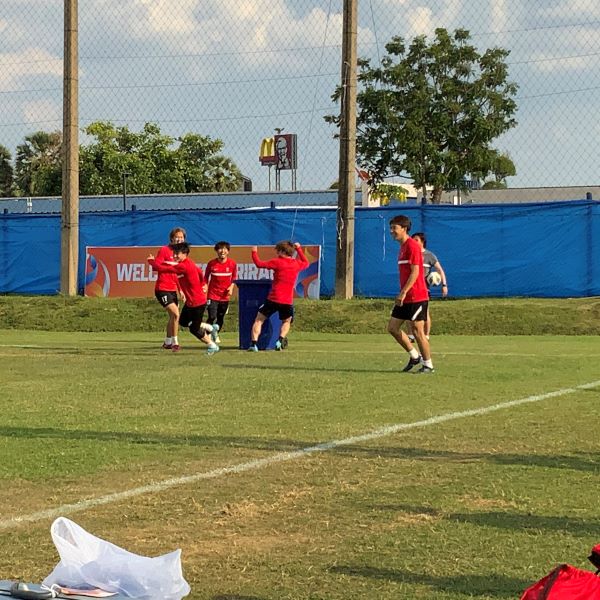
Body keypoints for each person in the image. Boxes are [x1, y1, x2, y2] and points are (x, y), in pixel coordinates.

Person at [148, 242, 220, 355]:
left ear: (185, 254)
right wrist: (202, 283)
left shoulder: (183, 266)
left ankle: (212, 345)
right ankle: (211, 328)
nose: (175, 256)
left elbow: (163, 268)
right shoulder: (189, 263)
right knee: (183, 321)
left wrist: (151, 261)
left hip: (197, 303)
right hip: (190, 302)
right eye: (174, 253)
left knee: (194, 329)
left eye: (177, 254)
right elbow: (199, 271)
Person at [387, 215, 434, 373]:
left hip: (416, 296)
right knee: (392, 328)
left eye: (394, 228)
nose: (391, 231)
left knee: (417, 331)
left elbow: (415, 272)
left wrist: (403, 292)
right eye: (391, 228)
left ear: (404, 229)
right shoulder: (402, 247)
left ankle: (428, 365)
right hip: (406, 297)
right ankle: (415, 356)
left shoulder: (412, 246)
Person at [248, 241, 309, 352]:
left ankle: (254, 344)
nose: (277, 253)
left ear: (282, 251)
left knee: (259, 320)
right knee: (286, 321)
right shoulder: (296, 264)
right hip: (287, 300)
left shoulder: (277, 262)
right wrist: (299, 248)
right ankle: (280, 341)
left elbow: (259, 264)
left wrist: (254, 251)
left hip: (274, 298)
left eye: (278, 251)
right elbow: (306, 263)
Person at [152, 227, 186, 352]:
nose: (179, 239)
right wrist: (153, 262)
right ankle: (175, 343)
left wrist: (181, 290)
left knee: (173, 316)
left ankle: (167, 342)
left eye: (181, 237)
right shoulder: (164, 250)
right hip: (162, 288)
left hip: (172, 289)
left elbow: (178, 275)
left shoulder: (181, 254)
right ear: (172, 238)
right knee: (176, 314)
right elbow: (156, 266)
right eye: (177, 237)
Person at [409, 232, 448, 339]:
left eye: (416, 240)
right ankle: (411, 335)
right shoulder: (410, 254)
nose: (414, 242)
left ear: (422, 242)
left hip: (424, 289)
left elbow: (440, 270)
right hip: (411, 288)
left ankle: (426, 335)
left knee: (425, 312)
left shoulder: (429, 255)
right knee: (409, 312)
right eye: (413, 240)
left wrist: (444, 285)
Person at [204, 241, 238, 344]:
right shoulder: (211, 263)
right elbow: (205, 277)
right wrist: (204, 286)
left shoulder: (232, 264)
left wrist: (231, 287)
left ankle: (215, 333)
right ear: (216, 251)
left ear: (228, 251)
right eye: (220, 249)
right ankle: (207, 335)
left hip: (224, 296)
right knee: (212, 316)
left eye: (225, 249)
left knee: (220, 317)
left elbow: (234, 277)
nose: (222, 251)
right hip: (212, 295)